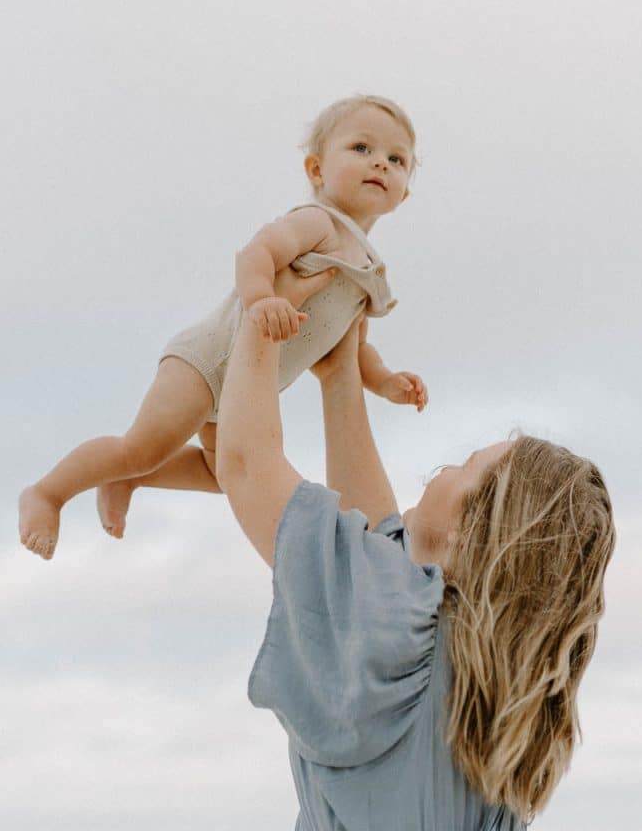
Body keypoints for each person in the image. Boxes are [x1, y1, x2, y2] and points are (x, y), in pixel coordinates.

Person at [215, 307, 616, 829]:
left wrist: (258, 312)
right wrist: (340, 378)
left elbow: (245, 464)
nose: (445, 467)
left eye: (466, 465)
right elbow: (378, 547)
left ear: (471, 532)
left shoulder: (396, 631)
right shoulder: (489, 697)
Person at [19, 95, 428, 559]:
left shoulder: (369, 271)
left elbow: (355, 350)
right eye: (361, 148)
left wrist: (387, 382)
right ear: (317, 170)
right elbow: (257, 253)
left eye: (397, 159)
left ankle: (126, 477)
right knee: (141, 446)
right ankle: (47, 493)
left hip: (239, 392)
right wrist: (262, 298)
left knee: (223, 474)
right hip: (206, 360)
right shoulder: (318, 222)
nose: (380, 163)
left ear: (403, 194)